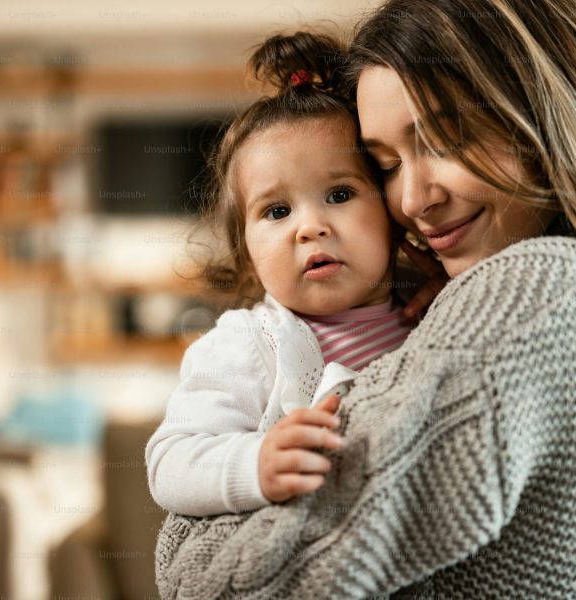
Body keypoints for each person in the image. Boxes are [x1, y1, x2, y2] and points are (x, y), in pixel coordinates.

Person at [153, 1, 576, 598]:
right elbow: (176, 459)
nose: (413, 200)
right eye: (387, 165)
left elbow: (201, 577)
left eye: (445, 139)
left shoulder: (539, 291)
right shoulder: (274, 337)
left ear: (548, 114)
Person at [145, 32, 423, 517]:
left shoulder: (434, 310)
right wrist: (255, 465)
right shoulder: (248, 345)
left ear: (391, 215)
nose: (309, 228)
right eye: (276, 211)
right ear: (248, 252)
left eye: (339, 194)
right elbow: (169, 463)